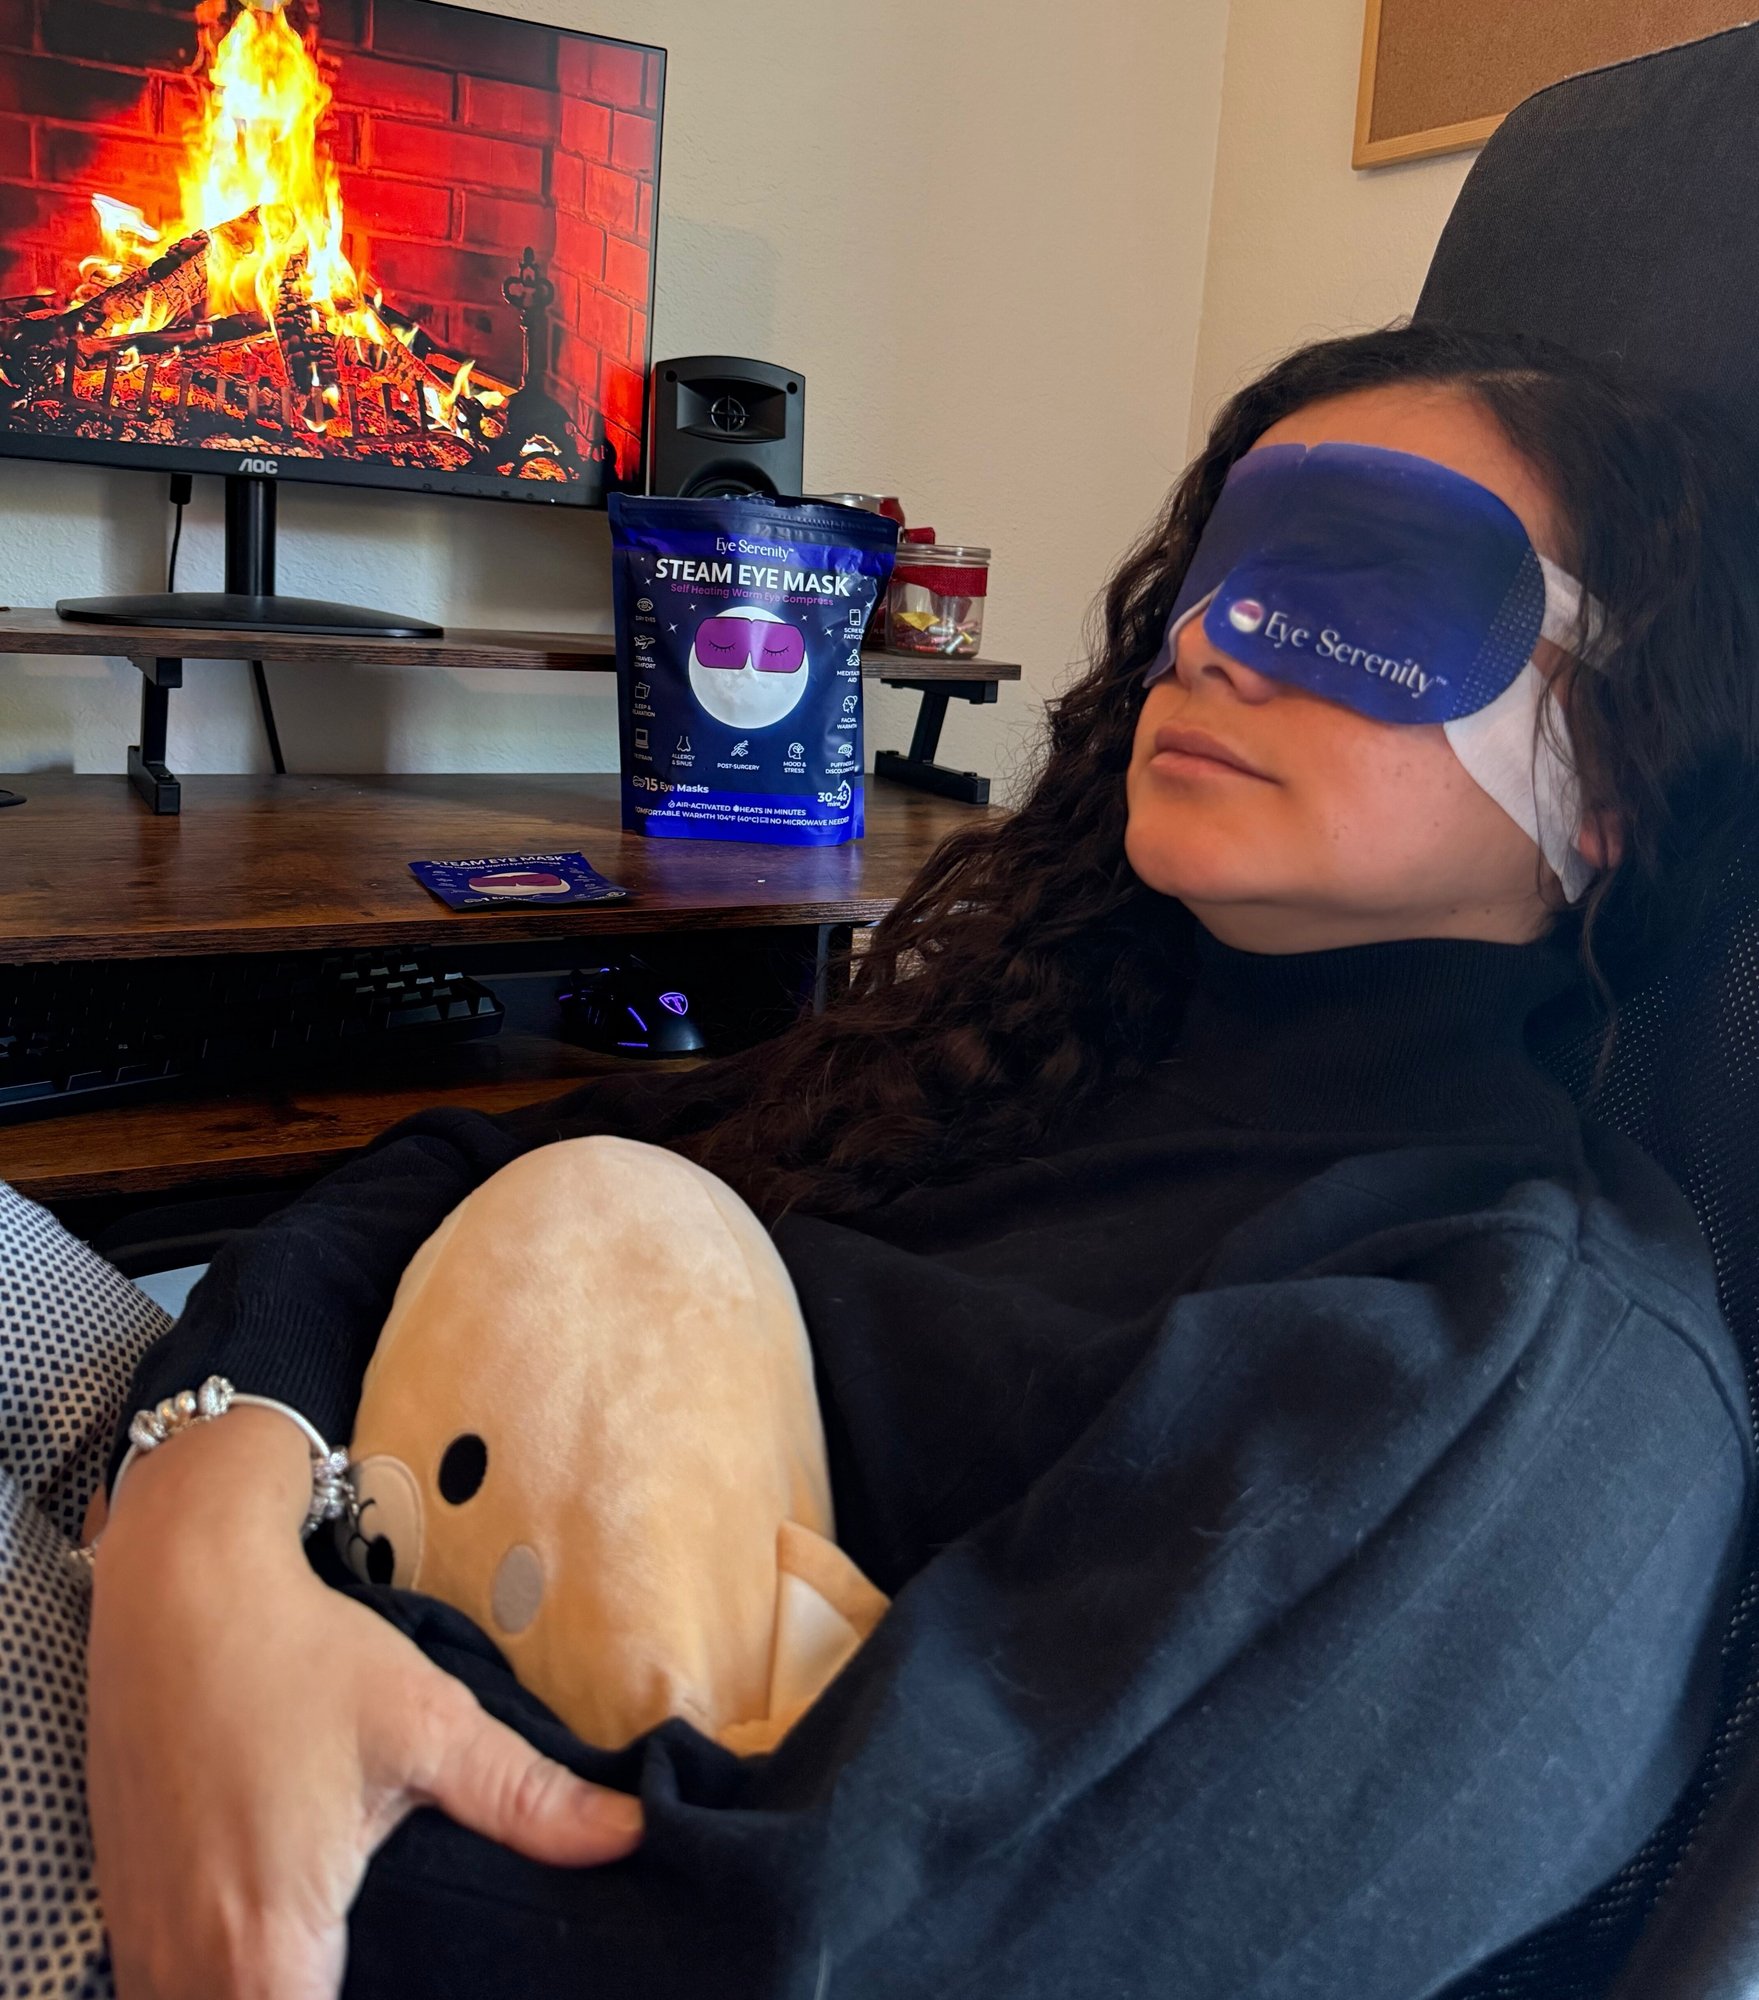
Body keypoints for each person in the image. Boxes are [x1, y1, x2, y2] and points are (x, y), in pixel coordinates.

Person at [5, 320, 1756, 2000]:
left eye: (1360, 584)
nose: (1217, 633)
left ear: (1608, 778)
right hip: (219, 1588)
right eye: (1223, 563)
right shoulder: (1004, 1056)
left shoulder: (1513, 1364)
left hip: (319, 1889)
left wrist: (245, 1689)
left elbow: (814, 1950)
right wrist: (205, 1525)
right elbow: (443, 1171)